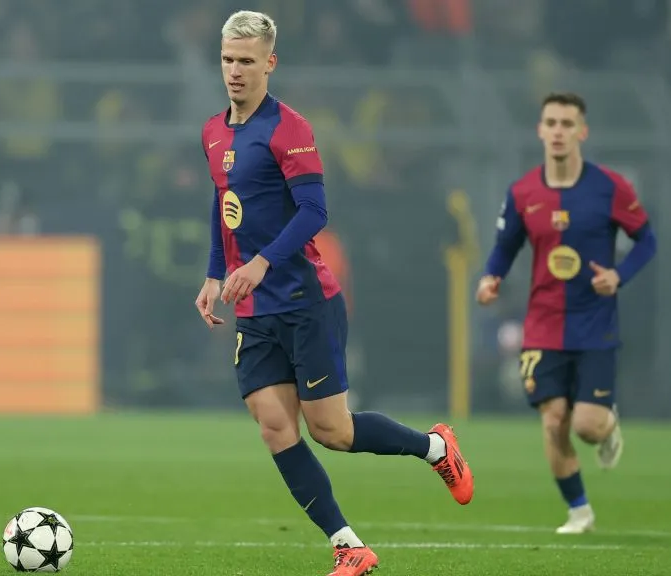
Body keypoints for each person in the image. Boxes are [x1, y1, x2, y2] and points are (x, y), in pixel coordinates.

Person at [193, 10, 473, 575]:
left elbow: (316, 210)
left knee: (333, 433)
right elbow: (224, 209)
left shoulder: (289, 129)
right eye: (227, 60)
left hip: (304, 302)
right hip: (254, 309)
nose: (235, 71)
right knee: (274, 425)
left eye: (247, 61)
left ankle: (436, 448)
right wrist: (215, 273)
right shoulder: (213, 131)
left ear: (271, 63)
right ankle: (349, 545)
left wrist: (263, 263)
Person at [476, 92, 657, 534]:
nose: (558, 131)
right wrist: (490, 278)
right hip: (542, 326)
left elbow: (646, 240)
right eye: (551, 122)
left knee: (587, 427)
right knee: (554, 418)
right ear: (540, 130)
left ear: (582, 131)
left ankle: (608, 426)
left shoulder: (610, 188)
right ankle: (579, 511)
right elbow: (505, 247)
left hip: (595, 324)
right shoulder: (523, 192)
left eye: (567, 123)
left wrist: (618, 276)